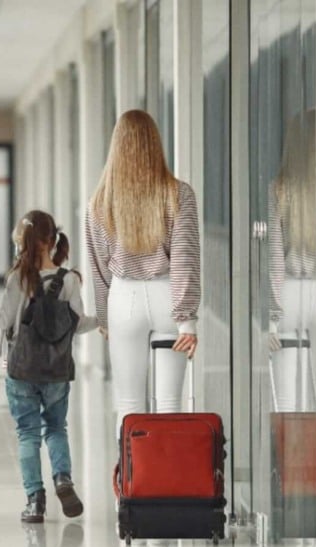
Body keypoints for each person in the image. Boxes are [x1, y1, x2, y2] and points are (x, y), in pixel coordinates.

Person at [0, 210, 98, 523]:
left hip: (21, 370)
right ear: (52, 241)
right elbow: (77, 325)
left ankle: (34, 500)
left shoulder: (18, 278)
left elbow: (2, 321)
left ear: (21, 243)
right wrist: (104, 322)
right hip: (56, 372)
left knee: (27, 433)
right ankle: (63, 479)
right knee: (56, 428)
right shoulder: (69, 280)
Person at [85, 109, 201, 432]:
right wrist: (187, 320)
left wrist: (105, 319)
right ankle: (169, 478)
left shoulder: (99, 202)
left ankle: (132, 478)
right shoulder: (179, 194)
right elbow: (184, 259)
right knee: (169, 404)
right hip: (168, 299)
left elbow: (98, 268)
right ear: (155, 143)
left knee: (129, 404)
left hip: (124, 299)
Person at [268, 108, 316, 412]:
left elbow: (274, 254)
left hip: (287, 295)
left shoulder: (279, 189)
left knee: (285, 400)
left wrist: (271, 317)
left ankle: (287, 458)